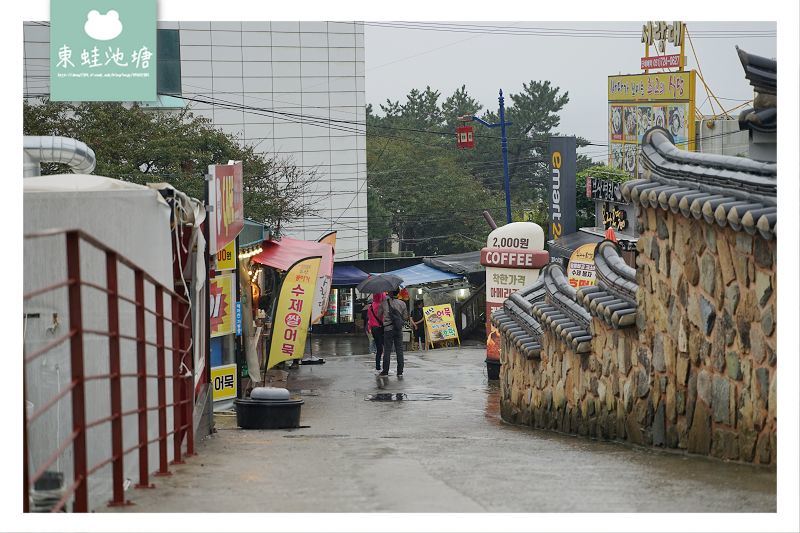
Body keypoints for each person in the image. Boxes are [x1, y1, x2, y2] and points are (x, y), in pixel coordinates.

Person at [379, 289, 409, 377]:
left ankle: (385, 371)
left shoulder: (384, 302)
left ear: (391, 292)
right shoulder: (402, 303)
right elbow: (405, 317)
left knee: (387, 350)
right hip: (398, 329)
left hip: (388, 329)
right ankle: (400, 371)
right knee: (399, 349)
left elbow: (378, 314)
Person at [366, 292, 386, 372]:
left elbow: (369, 320)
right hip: (380, 328)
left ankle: (378, 366)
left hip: (373, 329)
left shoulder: (370, 307)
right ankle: (385, 367)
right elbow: (383, 318)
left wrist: (369, 328)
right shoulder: (381, 306)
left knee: (379, 349)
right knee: (385, 348)